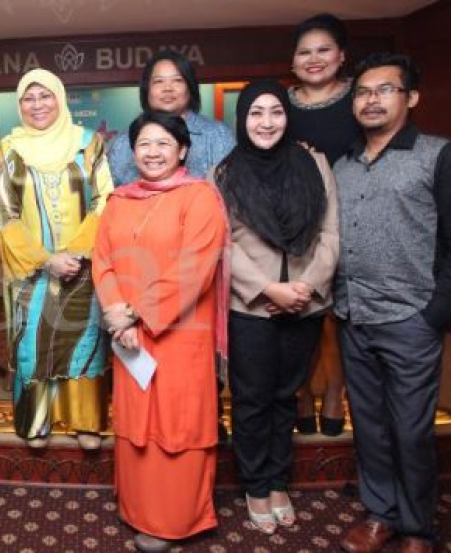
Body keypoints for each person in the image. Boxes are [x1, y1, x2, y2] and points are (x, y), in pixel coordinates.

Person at [93, 110, 229, 552]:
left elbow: (195, 269)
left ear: (183, 150)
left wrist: (135, 313)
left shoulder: (200, 197)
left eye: (163, 144)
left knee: (177, 424)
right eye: (144, 144)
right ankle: (138, 509)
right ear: (133, 152)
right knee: (137, 423)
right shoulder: (119, 201)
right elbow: (103, 261)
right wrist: (116, 313)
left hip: (179, 334)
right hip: (129, 336)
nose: (153, 152)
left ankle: (174, 520)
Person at [335, 53, 450, 553]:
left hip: (411, 318)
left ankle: (418, 528)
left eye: (385, 90)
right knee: (371, 426)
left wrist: (435, 313)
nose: (372, 100)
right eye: (363, 92)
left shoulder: (437, 155)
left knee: (411, 430)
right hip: (353, 315)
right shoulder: (343, 164)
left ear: (411, 97)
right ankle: (380, 514)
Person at [213, 80, 339, 535]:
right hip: (251, 305)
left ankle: (278, 479)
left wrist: (307, 285)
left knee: (287, 395)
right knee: (252, 400)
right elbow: (222, 244)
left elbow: (330, 232)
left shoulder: (314, 163)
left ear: (288, 117)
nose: (266, 122)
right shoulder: (223, 174)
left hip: (305, 301)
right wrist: (269, 288)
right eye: (256, 113)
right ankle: (255, 485)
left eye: (276, 112)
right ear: (242, 120)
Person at [0, 68, 113, 450]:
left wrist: (73, 253)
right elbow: (4, 214)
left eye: (45, 96)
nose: (37, 105)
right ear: (19, 105)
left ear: (59, 98)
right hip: (30, 270)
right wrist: (46, 259)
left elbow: (105, 200)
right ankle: (36, 420)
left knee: (82, 341)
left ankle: (85, 421)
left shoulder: (89, 144)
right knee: (33, 342)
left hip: (81, 266)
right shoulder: (8, 150)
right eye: (28, 98)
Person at [288, 13, 362, 437]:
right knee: (302, 312)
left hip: (353, 216)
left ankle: (335, 392)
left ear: (341, 56)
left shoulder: (360, 98)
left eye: (323, 50)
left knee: (338, 315)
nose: (314, 59)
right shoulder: (282, 105)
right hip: (298, 223)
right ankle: (302, 392)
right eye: (305, 52)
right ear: (293, 60)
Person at [107, 49, 235, 183]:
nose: (167, 88)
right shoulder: (122, 142)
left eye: (177, 80)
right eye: (159, 81)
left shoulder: (218, 135)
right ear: (146, 89)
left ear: (190, 87)